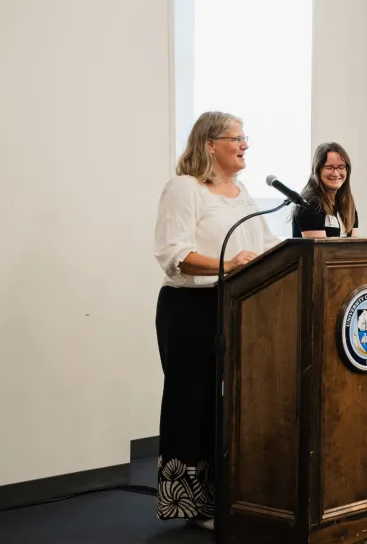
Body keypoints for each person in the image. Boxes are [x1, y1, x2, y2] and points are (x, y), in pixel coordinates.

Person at [152, 111, 283, 530]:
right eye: (237, 137)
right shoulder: (185, 189)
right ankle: (193, 506)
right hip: (191, 310)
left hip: (238, 307)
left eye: (245, 137)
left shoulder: (240, 191)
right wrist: (228, 263)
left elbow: (265, 245)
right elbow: (174, 254)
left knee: (229, 404)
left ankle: (226, 494)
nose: (245, 144)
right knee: (193, 402)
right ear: (210, 144)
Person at [292, 142, 360, 238]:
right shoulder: (310, 204)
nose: (336, 173)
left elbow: (354, 245)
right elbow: (320, 251)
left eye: (341, 167)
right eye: (329, 167)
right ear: (317, 170)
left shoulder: (347, 202)